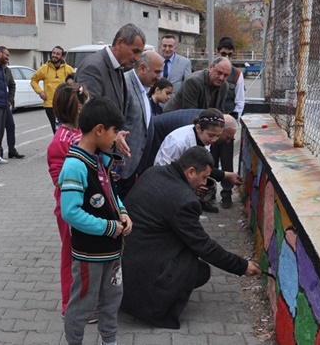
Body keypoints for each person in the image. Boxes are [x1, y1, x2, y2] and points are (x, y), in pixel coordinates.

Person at [120, 146, 261, 329]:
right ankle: (155, 305)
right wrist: (241, 266)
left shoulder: (154, 172)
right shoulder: (184, 201)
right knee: (197, 267)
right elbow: (204, 246)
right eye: (203, 177)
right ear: (191, 171)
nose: (205, 183)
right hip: (144, 271)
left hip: (125, 263)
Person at [59, 96, 132, 345]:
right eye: (114, 132)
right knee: (83, 304)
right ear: (99, 130)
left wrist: (123, 212)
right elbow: (70, 212)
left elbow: (111, 194)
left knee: (111, 301)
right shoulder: (75, 165)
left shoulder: (101, 159)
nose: (116, 139)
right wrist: (109, 227)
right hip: (90, 254)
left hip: (112, 252)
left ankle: (109, 341)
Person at [47, 83, 88, 317]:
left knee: (83, 255)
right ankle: (70, 304)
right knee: (71, 256)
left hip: (86, 207)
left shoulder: (80, 132)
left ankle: (87, 298)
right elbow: (59, 180)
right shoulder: (61, 140)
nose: (85, 108)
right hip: (71, 209)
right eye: (83, 104)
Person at [154, 109, 241, 213]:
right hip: (165, 184)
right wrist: (189, 185)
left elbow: (203, 166)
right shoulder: (178, 143)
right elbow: (164, 172)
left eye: (218, 136)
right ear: (199, 128)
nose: (214, 140)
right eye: (211, 135)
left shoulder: (204, 139)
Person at [116, 50, 164, 199]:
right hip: (122, 167)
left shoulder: (145, 87)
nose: (159, 77)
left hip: (136, 164)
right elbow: (116, 123)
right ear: (142, 68)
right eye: (156, 72)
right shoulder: (124, 85)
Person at [75, 23, 146, 119]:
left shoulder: (119, 66)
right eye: (135, 51)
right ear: (119, 43)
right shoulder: (93, 68)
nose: (137, 58)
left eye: (140, 53)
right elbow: (88, 115)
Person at [211, 37, 245, 209]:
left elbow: (240, 101)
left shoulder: (237, 74)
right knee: (209, 158)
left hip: (227, 126)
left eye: (230, 55)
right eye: (224, 54)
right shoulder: (212, 70)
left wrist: (232, 123)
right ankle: (209, 192)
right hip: (210, 125)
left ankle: (226, 193)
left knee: (226, 160)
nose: (227, 57)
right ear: (217, 52)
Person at [31, 46, 75, 133]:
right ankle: (58, 145)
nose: (54, 55)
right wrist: (40, 92)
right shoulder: (44, 68)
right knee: (56, 129)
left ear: (62, 56)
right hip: (50, 105)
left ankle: (66, 144)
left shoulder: (68, 69)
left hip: (64, 104)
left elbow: (76, 81)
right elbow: (33, 80)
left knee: (67, 128)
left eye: (57, 54)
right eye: (53, 53)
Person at [164, 56, 232, 113]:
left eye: (226, 75)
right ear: (211, 67)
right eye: (219, 73)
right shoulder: (193, 82)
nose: (221, 78)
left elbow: (220, 110)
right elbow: (190, 112)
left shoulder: (224, 86)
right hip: (174, 118)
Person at [1, 61, 25, 159]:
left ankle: (12, 150)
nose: (6, 61)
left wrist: (10, 100)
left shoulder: (7, 71)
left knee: (10, 126)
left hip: (5, 103)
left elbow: (12, 85)